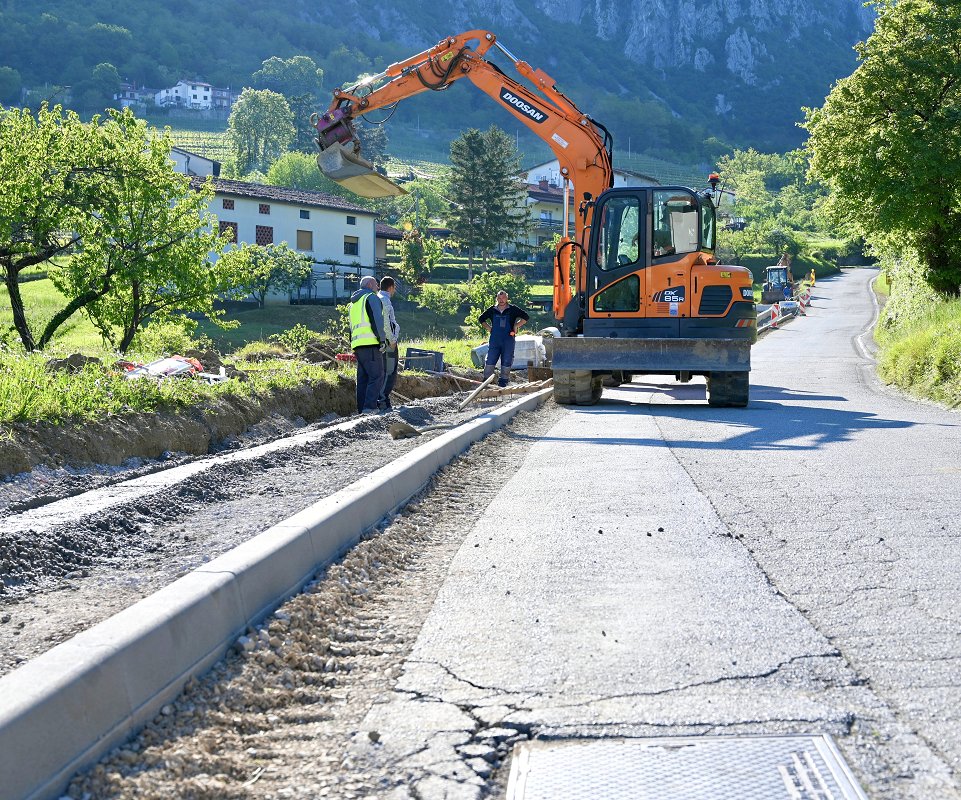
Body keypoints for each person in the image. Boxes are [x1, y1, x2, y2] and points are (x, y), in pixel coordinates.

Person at [349, 276, 387, 414]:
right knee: (377, 376)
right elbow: (377, 320)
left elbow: (351, 326)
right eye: (376, 284)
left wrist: (353, 345)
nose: (378, 287)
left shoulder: (353, 303)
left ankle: (362, 409)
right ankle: (370, 408)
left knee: (363, 378)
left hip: (358, 344)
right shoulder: (371, 298)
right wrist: (382, 340)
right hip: (371, 343)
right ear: (370, 285)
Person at [478, 290, 529, 388]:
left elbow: (526, 317)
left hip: (508, 340)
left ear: (507, 298)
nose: (501, 300)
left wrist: (516, 325)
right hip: (495, 340)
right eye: (499, 298)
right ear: (497, 299)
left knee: (507, 359)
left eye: (503, 298)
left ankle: (503, 382)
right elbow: (481, 319)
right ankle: (486, 382)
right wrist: (489, 328)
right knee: (490, 359)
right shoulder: (492, 309)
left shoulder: (513, 309)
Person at [377, 276, 400, 411]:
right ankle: (383, 401)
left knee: (383, 371)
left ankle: (381, 399)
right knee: (389, 371)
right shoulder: (385, 300)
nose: (394, 290)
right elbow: (387, 323)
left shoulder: (377, 297)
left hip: (381, 342)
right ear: (390, 287)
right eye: (394, 288)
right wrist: (392, 340)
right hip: (388, 343)